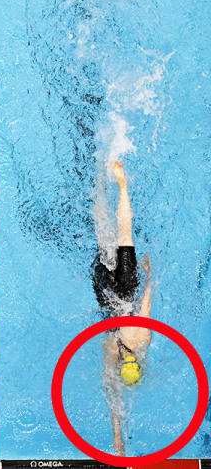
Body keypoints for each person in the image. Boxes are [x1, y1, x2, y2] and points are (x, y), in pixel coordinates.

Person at [93, 160, 154, 456]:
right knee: (103, 239)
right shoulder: (110, 347)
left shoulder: (143, 339)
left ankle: (121, 186)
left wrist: (150, 276)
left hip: (127, 290)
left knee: (124, 236)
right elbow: (111, 394)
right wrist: (116, 434)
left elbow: (146, 303)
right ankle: (100, 189)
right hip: (106, 297)